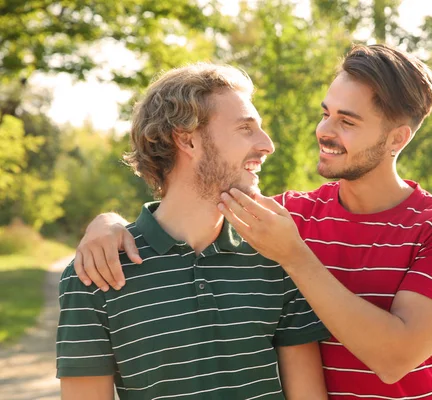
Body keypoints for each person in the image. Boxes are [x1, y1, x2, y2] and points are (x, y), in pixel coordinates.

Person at [74, 44, 432, 399]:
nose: (324, 131)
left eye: (347, 121)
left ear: (397, 139)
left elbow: (394, 360)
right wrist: (108, 225)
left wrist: (296, 256)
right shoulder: (289, 217)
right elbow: (193, 199)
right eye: (326, 114)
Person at [56, 63, 330, 400]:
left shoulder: (277, 256)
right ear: (187, 140)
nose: (267, 144)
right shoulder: (96, 272)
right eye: (246, 128)